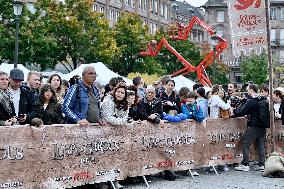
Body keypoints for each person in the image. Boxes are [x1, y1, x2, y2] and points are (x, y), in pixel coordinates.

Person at [233, 84, 267, 172]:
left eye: (248, 90)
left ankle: (245, 164)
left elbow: (241, 112)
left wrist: (234, 110)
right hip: (263, 125)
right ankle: (262, 164)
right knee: (260, 144)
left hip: (254, 125)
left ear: (251, 90)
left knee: (245, 143)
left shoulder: (252, 101)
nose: (247, 92)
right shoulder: (262, 99)